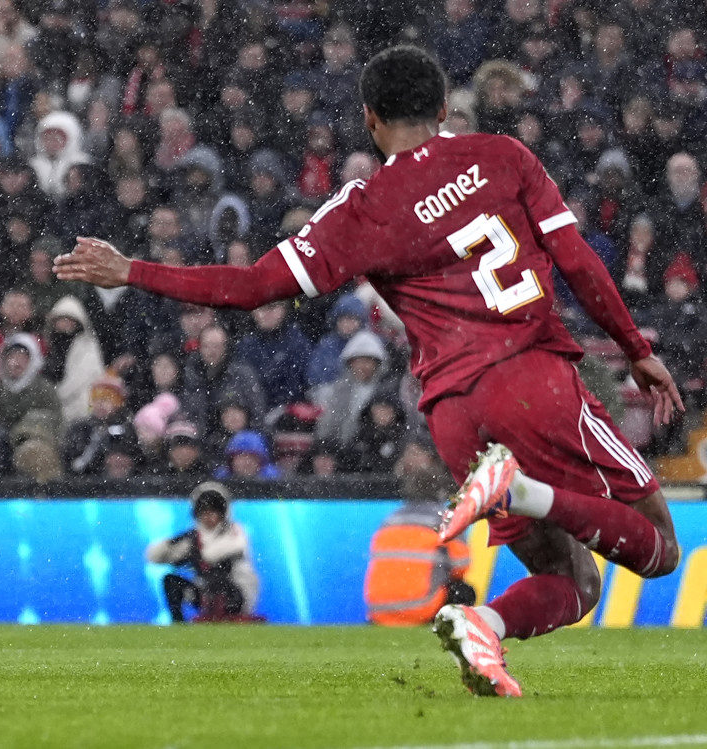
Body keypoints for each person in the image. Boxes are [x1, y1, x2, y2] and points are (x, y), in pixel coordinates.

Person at [55, 45, 683, 698]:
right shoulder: (502, 156)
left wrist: (134, 270)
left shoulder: (361, 209)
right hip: (533, 377)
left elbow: (250, 286)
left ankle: (483, 624)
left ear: (371, 120)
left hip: (455, 416)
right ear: (443, 109)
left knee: (572, 581)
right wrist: (634, 346)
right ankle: (525, 492)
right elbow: (577, 260)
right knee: (660, 548)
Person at [365, 441, 474, 626]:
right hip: (421, 609)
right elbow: (461, 565)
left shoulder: (389, 520)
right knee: (464, 592)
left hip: (378, 611)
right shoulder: (444, 520)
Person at [145, 482, 260, 623]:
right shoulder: (193, 537)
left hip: (237, 594)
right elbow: (153, 557)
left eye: (213, 511)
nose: (208, 516)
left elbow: (214, 554)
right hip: (206, 594)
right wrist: (174, 541)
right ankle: (178, 623)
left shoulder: (234, 530)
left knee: (218, 576)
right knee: (171, 581)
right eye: (203, 511)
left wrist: (195, 547)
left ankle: (223, 614)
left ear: (223, 512)